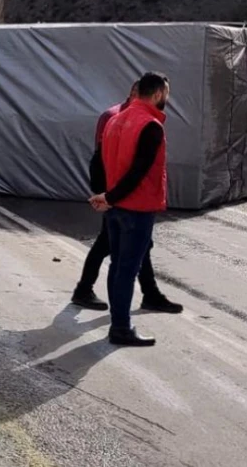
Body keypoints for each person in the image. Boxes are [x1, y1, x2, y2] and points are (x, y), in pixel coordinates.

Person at [72, 82, 182, 315]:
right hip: (123, 198)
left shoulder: (118, 117)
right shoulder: (121, 118)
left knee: (137, 248)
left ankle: (149, 294)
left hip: (117, 196)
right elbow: (104, 160)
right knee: (115, 251)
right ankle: (103, 305)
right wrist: (106, 195)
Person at [91, 72, 171, 347]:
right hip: (135, 208)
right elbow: (139, 172)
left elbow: (98, 162)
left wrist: (104, 195)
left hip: (115, 208)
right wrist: (111, 196)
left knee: (117, 267)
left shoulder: (114, 120)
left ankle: (118, 323)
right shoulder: (151, 126)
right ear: (158, 94)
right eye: (166, 94)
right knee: (127, 269)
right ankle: (121, 328)